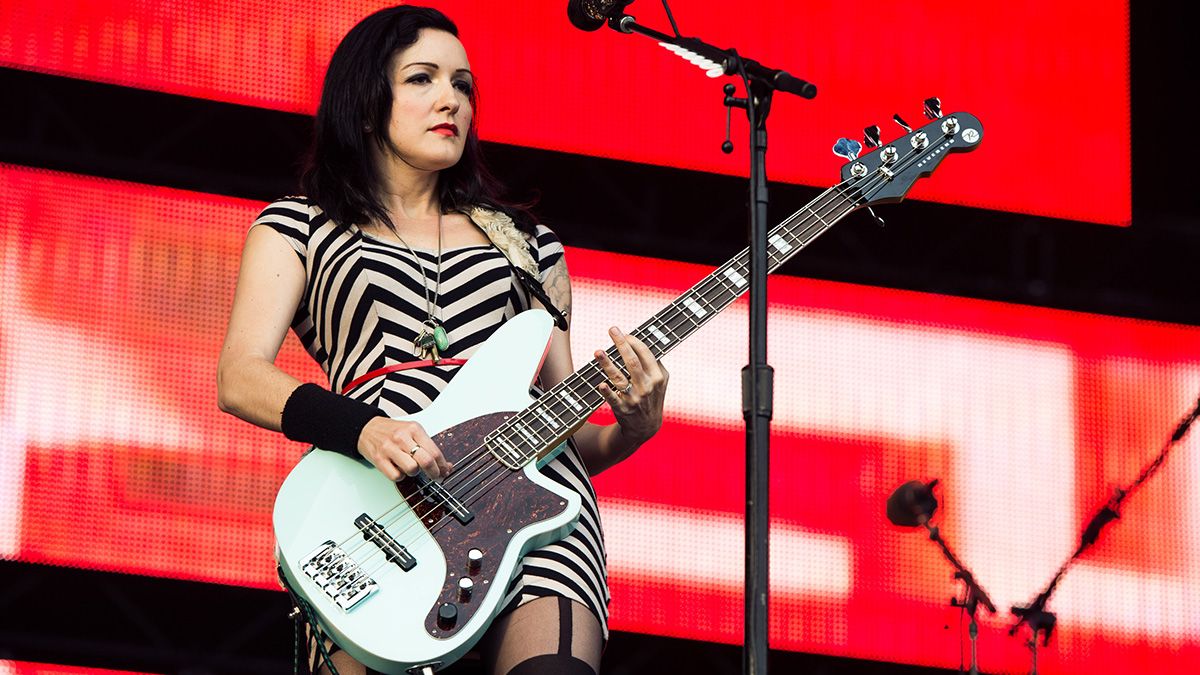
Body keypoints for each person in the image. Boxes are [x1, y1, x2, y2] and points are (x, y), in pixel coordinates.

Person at [216, 6, 668, 675]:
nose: (450, 98)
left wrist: (633, 428)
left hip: (530, 518)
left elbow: (561, 432)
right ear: (367, 101)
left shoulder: (530, 244)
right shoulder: (299, 225)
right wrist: (364, 428)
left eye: (463, 85)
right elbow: (240, 376)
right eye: (423, 79)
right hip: (377, 499)